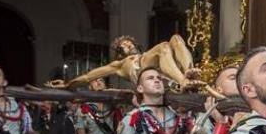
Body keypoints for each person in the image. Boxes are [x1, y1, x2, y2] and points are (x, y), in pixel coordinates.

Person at [48, 35, 207, 93]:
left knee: (176, 39)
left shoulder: (149, 55)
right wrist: (68, 84)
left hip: (164, 76)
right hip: (142, 74)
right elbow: (89, 76)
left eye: (129, 43)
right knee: (164, 46)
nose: (128, 45)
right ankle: (184, 81)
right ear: (119, 51)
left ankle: (188, 73)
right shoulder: (118, 64)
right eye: (123, 45)